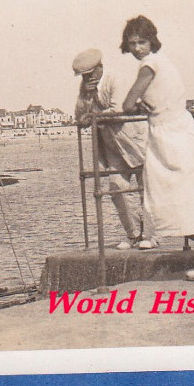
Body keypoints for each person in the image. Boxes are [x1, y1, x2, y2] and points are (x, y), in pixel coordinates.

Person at [120, 16, 194, 282]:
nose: (137, 48)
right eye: (132, 43)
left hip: (171, 138)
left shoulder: (149, 65)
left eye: (142, 42)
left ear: (152, 42)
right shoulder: (166, 63)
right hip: (186, 132)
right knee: (190, 202)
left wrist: (137, 106)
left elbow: (126, 104)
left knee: (166, 205)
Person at [72, 47, 157, 250]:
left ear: (99, 67)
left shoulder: (115, 79)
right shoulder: (86, 89)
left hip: (134, 140)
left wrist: (93, 117)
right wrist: (87, 101)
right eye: (84, 76)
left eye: (90, 75)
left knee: (147, 188)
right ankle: (133, 234)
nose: (87, 79)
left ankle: (152, 236)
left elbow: (118, 110)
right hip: (111, 145)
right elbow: (79, 116)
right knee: (116, 187)